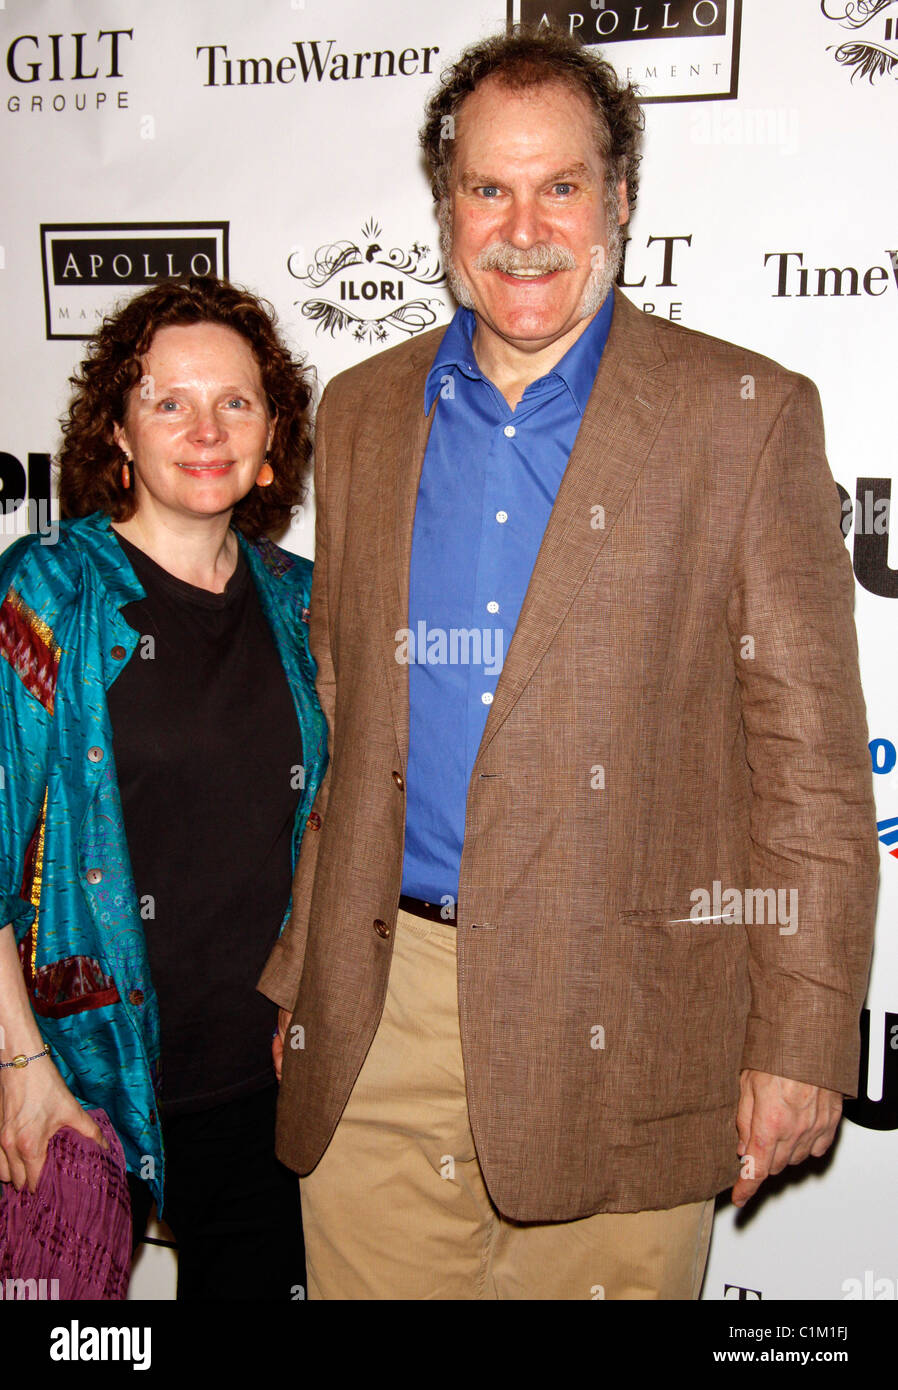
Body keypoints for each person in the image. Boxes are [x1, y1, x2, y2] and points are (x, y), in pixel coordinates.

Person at [262, 28, 878, 1300]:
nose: (523, 227)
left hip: (629, 1018)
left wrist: (806, 1037)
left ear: (621, 203)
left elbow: (811, 771)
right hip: (384, 1012)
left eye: (561, 186)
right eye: (488, 188)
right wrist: (299, 970)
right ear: (445, 214)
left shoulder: (745, 417)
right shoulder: (363, 411)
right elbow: (344, 721)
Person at [0, 276, 327, 1299]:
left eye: (236, 401)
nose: (205, 428)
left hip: (260, 1089)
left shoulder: (299, 600)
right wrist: (18, 1069)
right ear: (118, 430)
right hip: (78, 1081)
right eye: (168, 400)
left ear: (272, 430)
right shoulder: (49, 589)